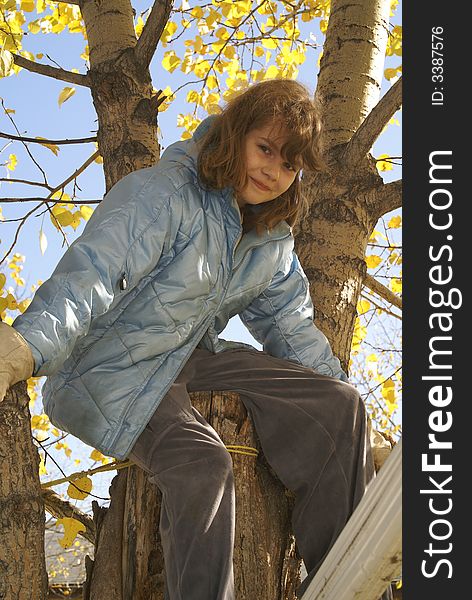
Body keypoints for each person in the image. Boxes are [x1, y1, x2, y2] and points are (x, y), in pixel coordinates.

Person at [0, 78, 388, 599]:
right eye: (265, 148)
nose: (273, 171)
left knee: (337, 404)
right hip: (110, 365)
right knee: (204, 464)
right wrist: (28, 345)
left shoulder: (269, 240)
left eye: (289, 164)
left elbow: (292, 330)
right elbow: (94, 274)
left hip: (187, 355)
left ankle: (346, 584)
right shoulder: (164, 194)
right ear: (236, 134)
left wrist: (360, 437)